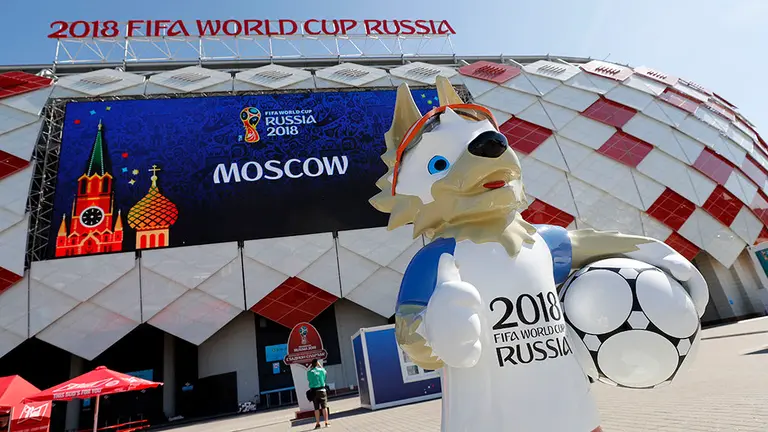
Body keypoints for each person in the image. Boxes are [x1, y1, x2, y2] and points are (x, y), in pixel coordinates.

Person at [307, 359, 330, 429]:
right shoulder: (321, 370)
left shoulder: (309, 372)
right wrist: (319, 365)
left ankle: (317, 424)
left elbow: (308, 378)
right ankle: (326, 422)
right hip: (322, 390)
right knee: (324, 407)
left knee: (316, 408)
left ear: (311, 364)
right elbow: (325, 372)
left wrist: (311, 367)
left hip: (314, 392)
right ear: (317, 364)